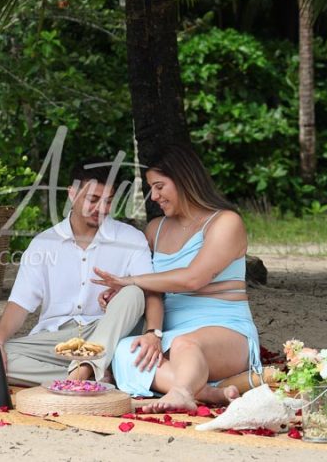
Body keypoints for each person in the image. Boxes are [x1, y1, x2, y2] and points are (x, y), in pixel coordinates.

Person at [93, 144, 260, 413]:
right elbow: (152, 286)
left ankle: (182, 392)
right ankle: (207, 392)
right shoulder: (155, 229)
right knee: (124, 351)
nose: (154, 196)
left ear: (184, 179)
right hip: (170, 335)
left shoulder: (226, 222)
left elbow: (194, 278)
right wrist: (124, 296)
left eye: (160, 186)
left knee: (186, 344)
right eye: (151, 188)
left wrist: (130, 280)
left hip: (226, 331)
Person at [0, 159, 154, 386]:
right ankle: (93, 378)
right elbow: (20, 303)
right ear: (72, 194)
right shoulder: (43, 244)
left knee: (134, 292)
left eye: (108, 201)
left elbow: (148, 293)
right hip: (55, 340)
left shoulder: (131, 239)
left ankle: (83, 372)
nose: (101, 209)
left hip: (104, 331)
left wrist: (123, 289)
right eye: (93, 199)